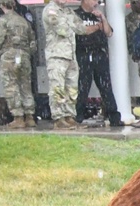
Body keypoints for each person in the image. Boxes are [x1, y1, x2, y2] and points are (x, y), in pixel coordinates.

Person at [43, 0, 102, 130]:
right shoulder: (51, 10)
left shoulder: (68, 11)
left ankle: (69, 116)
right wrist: (73, 25)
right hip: (57, 56)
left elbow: (81, 28)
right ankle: (59, 118)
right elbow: (62, 30)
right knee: (58, 87)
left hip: (70, 56)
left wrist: (97, 26)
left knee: (72, 88)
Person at [74, 0, 122, 127]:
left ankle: (114, 117)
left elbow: (109, 32)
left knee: (106, 87)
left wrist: (103, 18)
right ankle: (77, 117)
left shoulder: (97, 15)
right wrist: (96, 27)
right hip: (83, 54)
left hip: (99, 55)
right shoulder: (75, 15)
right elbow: (81, 31)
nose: (96, 2)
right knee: (82, 87)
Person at [0, 0, 37, 129]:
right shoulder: (24, 21)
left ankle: (18, 117)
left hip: (9, 56)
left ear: (2, 5)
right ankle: (30, 116)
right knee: (26, 86)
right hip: (24, 56)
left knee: (11, 86)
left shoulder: (2, 21)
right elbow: (33, 43)